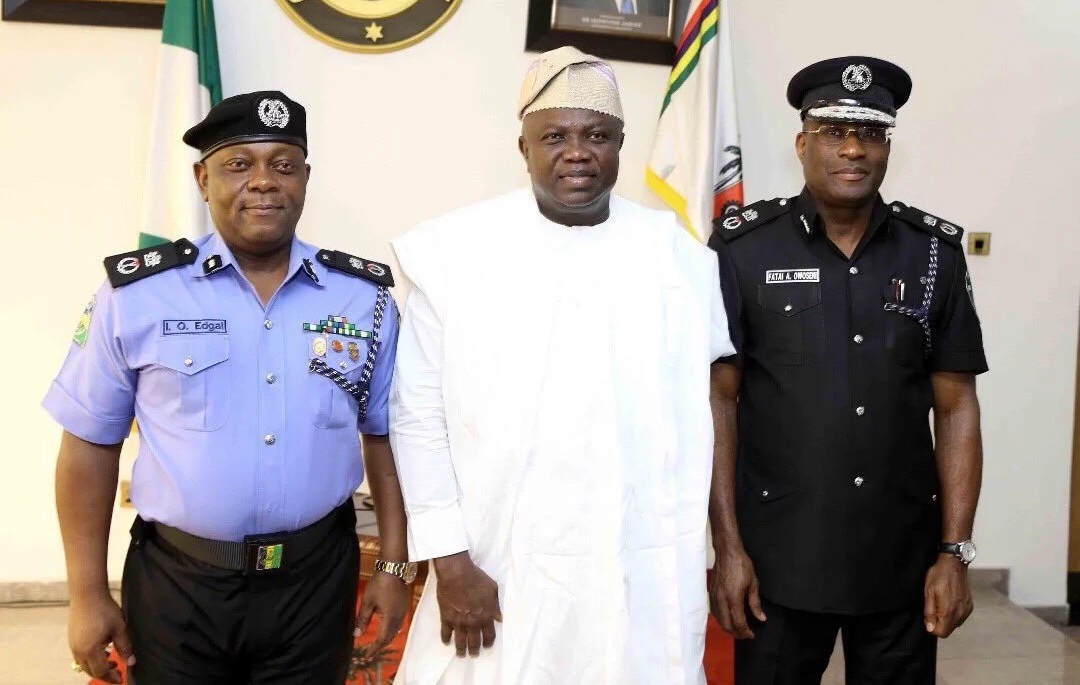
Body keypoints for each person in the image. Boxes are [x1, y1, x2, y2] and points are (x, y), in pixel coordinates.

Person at [387, 46, 735, 683]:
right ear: (523, 147)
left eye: (596, 135)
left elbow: (707, 413)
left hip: (637, 563)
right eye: (554, 136)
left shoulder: (679, 260)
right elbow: (417, 418)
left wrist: (722, 547)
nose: (577, 151)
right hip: (498, 559)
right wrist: (448, 560)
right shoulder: (451, 252)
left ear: (621, 143)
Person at [44, 91, 414, 684]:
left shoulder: (364, 300)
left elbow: (389, 438)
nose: (263, 182)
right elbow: (88, 445)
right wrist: (86, 594)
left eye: (283, 164)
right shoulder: (137, 296)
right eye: (239, 164)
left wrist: (394, 566)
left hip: (315, 581)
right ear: (202, 177)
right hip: (177, 586)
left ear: (305, 179)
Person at [707, 57, 987, 684]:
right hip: (779, 563)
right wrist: (728, 549)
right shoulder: (744, 247)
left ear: (888, 145)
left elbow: (957, 405)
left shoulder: (933, 253)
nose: (854, 149)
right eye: (834, 131)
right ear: (803, 143)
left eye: (871, 133)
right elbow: (718, 401)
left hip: (902, 565)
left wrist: (954, 554)